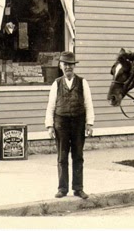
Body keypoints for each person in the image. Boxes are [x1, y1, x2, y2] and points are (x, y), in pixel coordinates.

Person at [44, 51, 94, 200]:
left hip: (78, 123)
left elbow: (88, 104)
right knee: (62, 157)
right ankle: (62, 188)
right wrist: (49, 126)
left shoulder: (83, 82)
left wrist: (89, 123)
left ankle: (78, 188)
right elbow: (51, 106)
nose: (68, 68)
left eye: (71, 65)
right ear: (61, 66)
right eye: (65, 65)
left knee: (78, 156)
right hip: (61, 124)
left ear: (74, 66)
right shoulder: (56, 83)